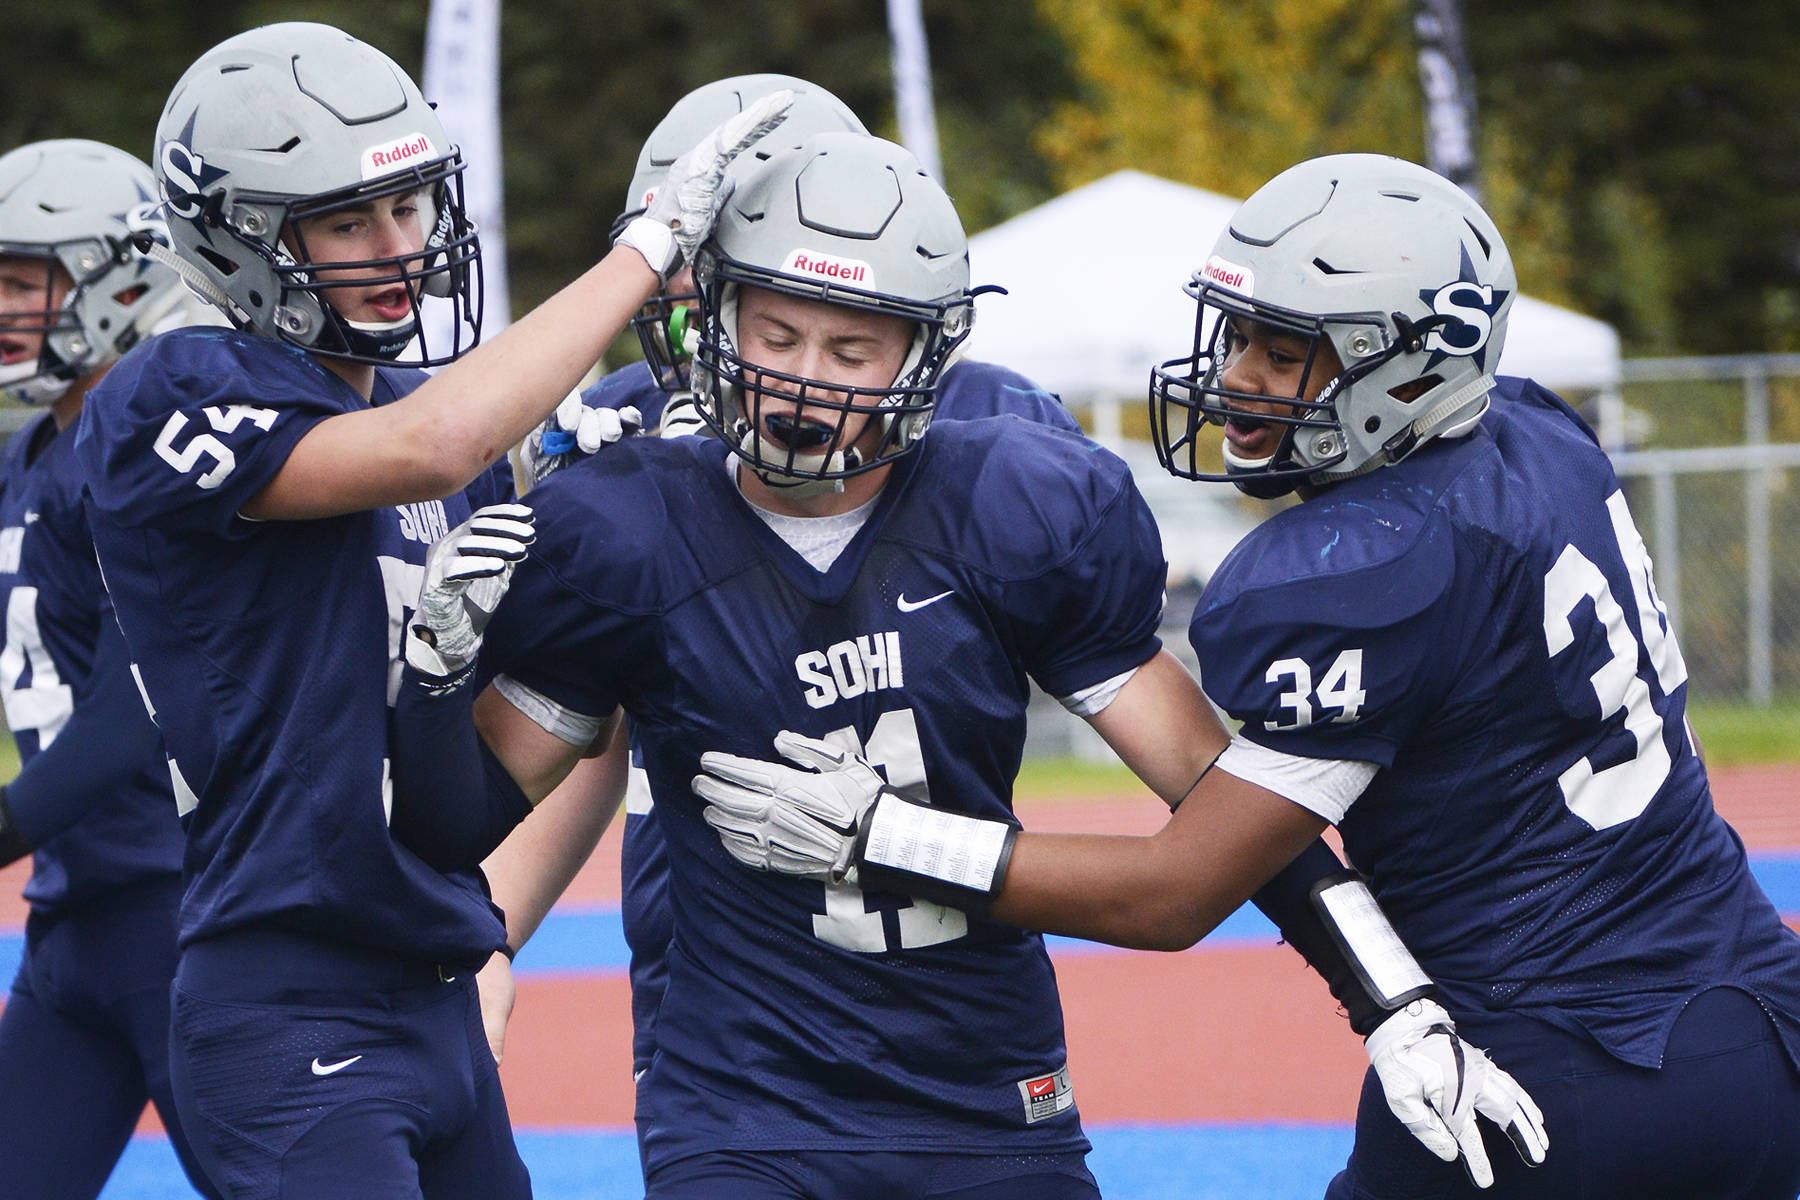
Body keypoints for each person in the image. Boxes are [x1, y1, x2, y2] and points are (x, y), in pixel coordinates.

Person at [392, 134, 1540, 1198]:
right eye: (776, 336)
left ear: (928, 355)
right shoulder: (622, 527)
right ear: (717, 323)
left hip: (989, 1091)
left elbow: (1218, 796)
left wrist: (1386, 998)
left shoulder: (1015, 505)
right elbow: (461, 823)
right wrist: (435, 682)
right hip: (745, 1103)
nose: (802, 380)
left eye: (852, 348)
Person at [694, 153, 1800, 1199]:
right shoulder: (1540, 438)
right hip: (1756, 1023)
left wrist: (881, 837)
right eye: (1238, 336)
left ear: (1407, 364)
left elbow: (1174, 892)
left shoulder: (1366, 564)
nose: (1236, 379)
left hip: (1549, 1065)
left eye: (1284, 351)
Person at [73, 21, 785, 1198]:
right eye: (350, 220)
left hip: (435, 974)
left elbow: (491, 746)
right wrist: (647, 252)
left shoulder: (417, 412)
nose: (399, 247)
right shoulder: (176, 391)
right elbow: (435, 442)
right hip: (285, 990)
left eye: (409, 207)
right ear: (239, 239)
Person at [544, 76, 1087, 1119]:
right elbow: (583, 730)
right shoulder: (618, 429)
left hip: (948, 974)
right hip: (711, 974)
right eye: (677, 271)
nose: (684, 306)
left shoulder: (986, 426)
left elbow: (1124, 706)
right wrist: (485, 940)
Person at [0, 137, 219, 1200]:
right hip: (73, 922)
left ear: (118, 276)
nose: (0, 306)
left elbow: (133, 712)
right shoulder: (30, 454)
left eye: (20, 280)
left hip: (188, 923)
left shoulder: (150, 455)